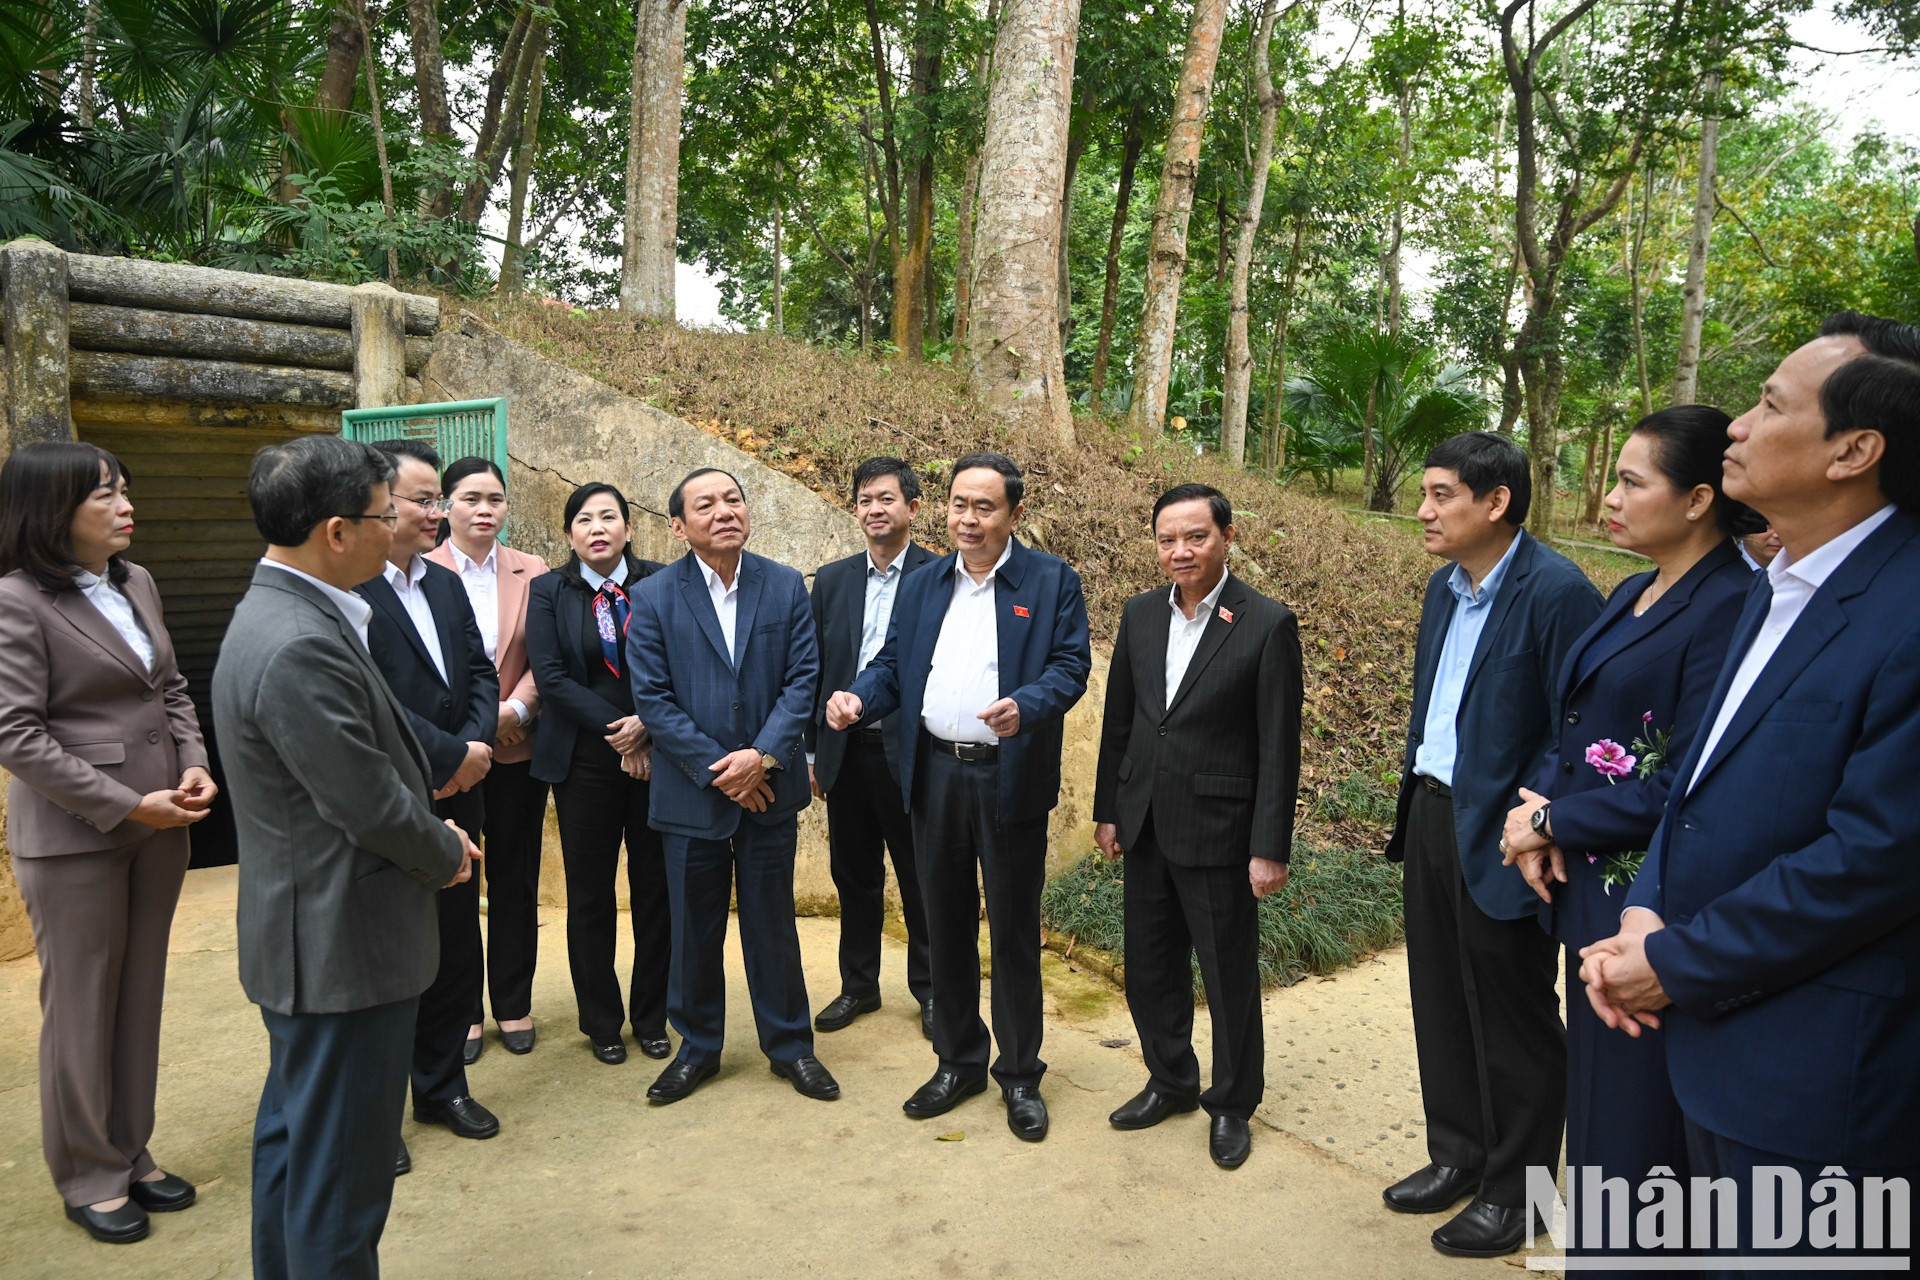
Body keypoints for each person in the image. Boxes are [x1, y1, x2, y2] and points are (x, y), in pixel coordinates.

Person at [1582, 312, 1920, 1258]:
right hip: (1702, 1047)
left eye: (1769, 404)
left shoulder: (1904, 609)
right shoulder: (1775, 590)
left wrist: (1676, 963)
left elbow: (1876, 856)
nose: (1734, 423)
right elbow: (1692, 782)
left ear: (1854, 449)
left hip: (1813, 1086)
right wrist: (1646, 914)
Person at [1496, 407, 1759, 1265]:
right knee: (1602, 1117)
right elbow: (1577, 727)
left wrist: (1552, 819)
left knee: (1637, 1135)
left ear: (1697, 500)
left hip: (1646, 908)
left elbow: (1687, 778)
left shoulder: (1730, 607)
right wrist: (1539, 815)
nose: (1609, 498)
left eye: (1631, 482)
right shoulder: (1630, 589)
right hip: (1588, 891)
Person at [213, 435, 476, 1280]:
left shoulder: (296, 612)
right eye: (384, 513)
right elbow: (364, 799)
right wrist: (445, 851)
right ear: (335, 531)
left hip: (316, 938)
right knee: (340, 1187)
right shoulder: (298, 641)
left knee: (297, 1154)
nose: (400, 526)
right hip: (341, 946)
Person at [1380, 430, 1602, 1257]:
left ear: (1496, 502)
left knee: (1514, 1018)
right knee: (1440, 1000)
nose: (1424, 509)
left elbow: (1574, 724)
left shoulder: (1558, 593)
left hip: (1509, 834)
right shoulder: (1447, 587)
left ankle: (1522, 1195)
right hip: (1435, 812)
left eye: (1441, 494)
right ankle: (1459, 1157)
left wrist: (1539, 816)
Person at [827, 452, 1092, 1143]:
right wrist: (861, 696)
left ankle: (1020, 1074)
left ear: (1014, 514)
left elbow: (1071, 666)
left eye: (984, 507)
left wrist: (1027, 706)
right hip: (932, 774)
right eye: (958, 505)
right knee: (942, 923)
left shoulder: (1050, 580)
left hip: (1008, 778)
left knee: (1009, 932)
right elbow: (892, 665)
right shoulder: (923, 585)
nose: (968, 520)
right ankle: (958, 1061)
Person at [0, 442, 216, 1245]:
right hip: (77, 836)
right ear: (52, 509)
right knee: (82, 1008)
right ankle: (88, 1174)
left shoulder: (139, 582)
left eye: (126, 489)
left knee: (139, 998)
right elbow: (16, 734)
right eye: (105, 495)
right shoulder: (17, 601)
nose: (126, 505)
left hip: (163, 824)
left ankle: (131, 1151)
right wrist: (129, 804)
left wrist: (194, 765)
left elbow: (173, 688)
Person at [1092, 483, 1303, 1170]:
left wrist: (1269, 847)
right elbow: (1120, 721)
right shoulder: (1141, 614)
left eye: (1196, 537)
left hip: (1219, 829)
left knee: (1227, 975)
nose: (1179, 551)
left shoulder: (1266, 623)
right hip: (1145, 822)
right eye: (1167, 539)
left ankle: (1233, 1103)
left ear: (1227, 537)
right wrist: (1107, 810)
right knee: (1149, 969)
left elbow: (1279, 745)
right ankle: (1172, 1079)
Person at [626, 467, 835, 1104]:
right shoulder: (656, 595)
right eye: (706, 504)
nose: (724, 512)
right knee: (694, 927)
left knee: (773, 922)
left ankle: (790, 1046)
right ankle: (698, 1047)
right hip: (693, 795)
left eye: (733, 499)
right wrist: (725, 770)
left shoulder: (784, 585)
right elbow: (654, 701)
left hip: (768, 790)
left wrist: (762, 757)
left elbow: (804, 679)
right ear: (678, 526)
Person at [354, 440, 501, 1159]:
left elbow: (479, 671)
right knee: (392, 955)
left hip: (462, 784)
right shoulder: (349, 590)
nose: (436, 512)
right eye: (422, 500)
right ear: (378, 506)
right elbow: (370, 701)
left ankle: (443, 1089)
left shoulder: (443, 583)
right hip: (395, 796)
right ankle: (379, 1118)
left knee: (453, 940)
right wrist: (446, 758)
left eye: (436, 499)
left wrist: (472, 753)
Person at [524, 483, 672, 1064]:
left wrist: (649, 727)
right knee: (590, 895)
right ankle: (602, 1021)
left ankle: (653, 1016)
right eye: (583, 520)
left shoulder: (661, 583)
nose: (597, 527)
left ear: (629, 529)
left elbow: (676, 663)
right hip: (585, 760)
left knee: (655, 890)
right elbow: (552, 677)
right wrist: (623, 730)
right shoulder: (547, 591)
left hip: (659, 756)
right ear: (568, 535)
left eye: (609, 516)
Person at [806, 457, 937, 1038]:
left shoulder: (942, 575)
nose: (874, 510)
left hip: (912, 753)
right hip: (845, 751)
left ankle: (932, 992)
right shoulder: (832, 580)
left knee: (920, 876)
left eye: (886, 499)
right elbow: (812, 670)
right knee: (853, 875)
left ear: (912, 507)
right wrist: (812, 752)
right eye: (864, 500)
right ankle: (858, 986)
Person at [427, 457, 550, 1059]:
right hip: (450, 757)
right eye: (471, 498)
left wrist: (517, 712)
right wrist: (474, 731)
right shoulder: (417, 572)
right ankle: (463, 1009)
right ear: (445, 505)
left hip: (518, 749)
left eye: (496, 499)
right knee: (455, 880)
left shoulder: (535, 571)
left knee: (516, 878)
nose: (485, 510)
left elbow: (547, 659)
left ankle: (513, 1002)